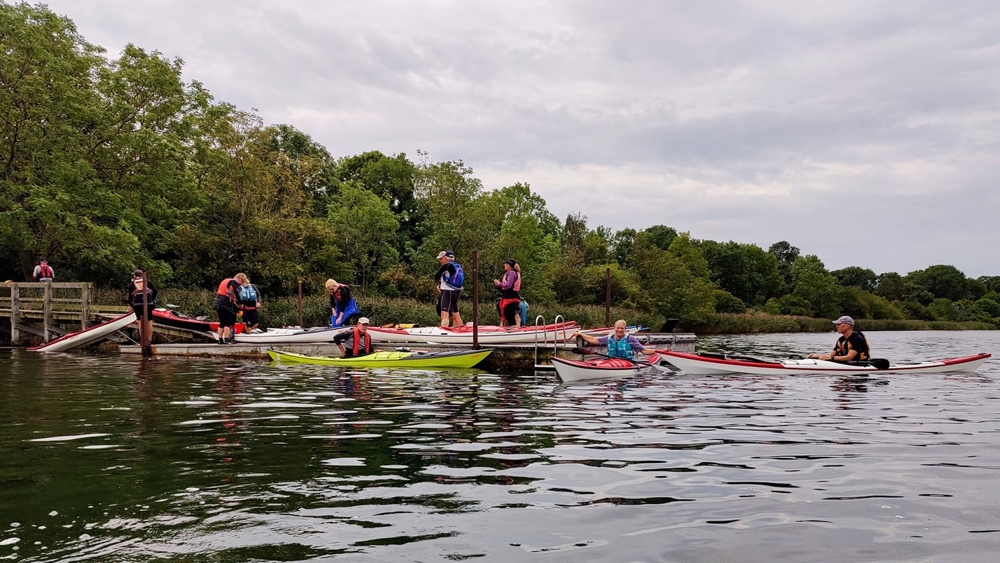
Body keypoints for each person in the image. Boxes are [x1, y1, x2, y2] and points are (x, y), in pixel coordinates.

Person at [570, 319, 660, 360]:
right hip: (611, 361)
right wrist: (581, 334)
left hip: (627, 363)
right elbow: (594, 340)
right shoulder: (609, 338)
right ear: (614, 328)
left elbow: (644, 351)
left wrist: (658, 351)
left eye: (622, 328)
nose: (619, 330)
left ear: (625, 329)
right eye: (618, 328)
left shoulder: (630, 339)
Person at [434, 250, 464, 327]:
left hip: (448, 292)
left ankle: (443, 333)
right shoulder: (457, 265)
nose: (440, 261)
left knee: (444, 314)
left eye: (441, 259)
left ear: (445, 258)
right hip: (457, 292)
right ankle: (461, 331)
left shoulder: (446, 266)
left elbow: (436, 277)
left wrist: (440, 283)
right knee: (456, 314)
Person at [125, 270, 157, 339]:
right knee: (149, 321)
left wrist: (131, 305)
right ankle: (149, 339)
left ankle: (143, 339)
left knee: (139, 321)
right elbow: (155, 291)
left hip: (138, 304)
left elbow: (130, 298)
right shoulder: (148, 282)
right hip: (149, 303)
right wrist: (152, 299)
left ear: (135, 276)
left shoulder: (132, 284)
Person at [493, 259, 522, 327]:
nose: (504, 265)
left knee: (510, 315)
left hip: (510, 297)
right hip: (508, 296)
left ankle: (513, 329)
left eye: (505, 264)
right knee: (500, 306)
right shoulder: (511, 273)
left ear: (508, 265)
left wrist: (499, 284)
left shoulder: (512, 273)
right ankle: (504, 325)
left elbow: (508, 285)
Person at [214, 275, 242, 344]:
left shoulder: (225, 280)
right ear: (238, 278)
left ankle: (220, 340)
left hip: (218, 303)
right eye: (241, 281)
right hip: (226, 304)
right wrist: (240, 303)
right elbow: (237, 293)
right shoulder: (233, 282)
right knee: (227, 323)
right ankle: (226, 339)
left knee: (221, 323)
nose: (240, 284)